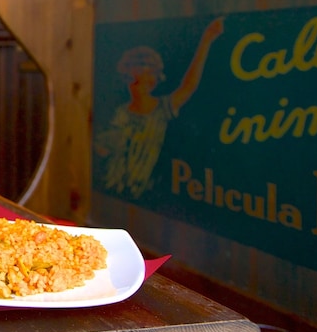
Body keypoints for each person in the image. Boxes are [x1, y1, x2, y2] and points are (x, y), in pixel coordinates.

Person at [94, 17, 224, 198]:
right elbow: (103, 148)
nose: (140, 82)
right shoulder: (121, 114)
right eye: (134, 77)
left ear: (155, 79)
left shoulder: (161, 109)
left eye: (147, 75)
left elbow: (189, 85)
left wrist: (206, 39)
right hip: (116, 185)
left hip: (144, 189)